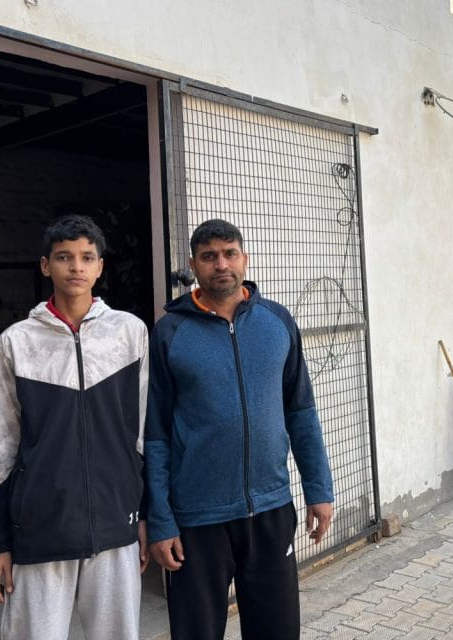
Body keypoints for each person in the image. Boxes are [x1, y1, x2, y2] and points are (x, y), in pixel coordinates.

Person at [145, 218, 335, 640]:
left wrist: (318, 489)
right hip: (197, 519)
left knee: (277, 630)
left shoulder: (277, 322)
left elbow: (301, 412)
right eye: (209, 256)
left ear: (245, 259)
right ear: (194, 265)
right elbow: (155, 434)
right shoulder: (169, 334)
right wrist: (161, 520)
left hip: (269, 510)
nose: (221, 264)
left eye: (229, 253)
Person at [0, 214, 150, 640]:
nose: (76, 267)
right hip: (40, 529)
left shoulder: (130, 334)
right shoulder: (17, 342)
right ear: (45, 266)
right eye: (64, 257)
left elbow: (145, 434)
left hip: (116, 524)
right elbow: (1, 448)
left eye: (86, 257)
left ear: (99, 267)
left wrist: (147, 516)